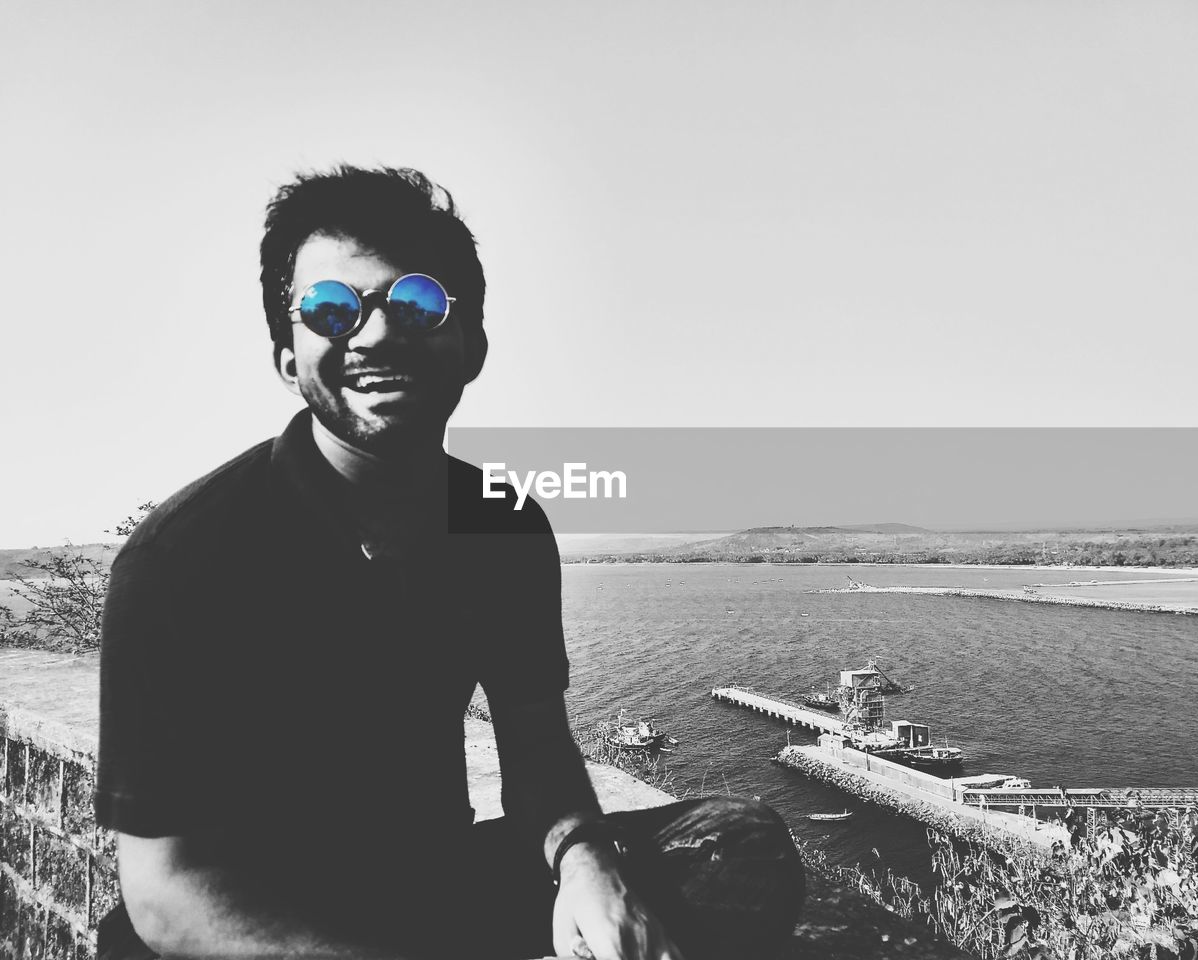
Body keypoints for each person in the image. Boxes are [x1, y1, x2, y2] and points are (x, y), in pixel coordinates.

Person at [96, 165, 804, 960]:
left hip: (426, 887)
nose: (374, 334)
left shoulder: (500, 528)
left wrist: (587, 866)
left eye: (417, 304)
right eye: (330, 310)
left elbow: (535, 750)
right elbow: (165, 890)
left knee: (738, 846)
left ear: (471, 346)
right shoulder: (185, 558)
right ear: (288, 358)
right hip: (250, 919)